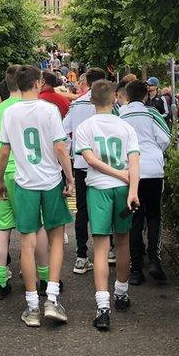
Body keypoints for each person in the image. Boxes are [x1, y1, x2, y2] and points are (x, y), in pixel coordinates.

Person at [0, 65, 74, 328]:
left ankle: (31, 306)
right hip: (50, 180)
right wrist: (70, 177)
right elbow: (60, 147)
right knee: (56, 240)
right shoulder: (49, 110)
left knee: (26, 243)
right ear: (39, 82)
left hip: (24, 182)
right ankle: (51, 297)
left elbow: (4, 151)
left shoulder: (10, 112)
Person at [73, 80, 141, 331]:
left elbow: (89, 159)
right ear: (115, 98)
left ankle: (102, 307)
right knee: (122, 242)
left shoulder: (85, 127)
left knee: (100, 246)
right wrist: (131, 187)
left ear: (91, 100)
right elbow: (134, 160)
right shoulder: (126, 127)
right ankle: (121, 293)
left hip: (98, 188)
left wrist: (114, 173)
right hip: (123, 189)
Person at [0, 66, 51, 301]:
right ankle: (44, 278)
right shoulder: (37, 108)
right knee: (37, 226)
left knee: (2, 229)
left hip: (3, 173)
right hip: (31, 174)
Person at [119, 80, 171, 285]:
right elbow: (165, 138)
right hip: (153, 170)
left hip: (130, 172)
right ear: (146, 95)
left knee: (134, 219)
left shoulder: (120, 115)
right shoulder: (152, 113)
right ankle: (155, 260)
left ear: (127, 95)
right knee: (154, 215)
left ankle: (136, 269)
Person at [63, 67, 108, 275]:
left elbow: (64, 132)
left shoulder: (77, 104)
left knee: (82, 210)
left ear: (87, 82)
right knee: (105, 207)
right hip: (106, 164)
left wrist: (72, 150)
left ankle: (81, 256)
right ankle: (109, 252)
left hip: (81, 163)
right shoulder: (107, 103)